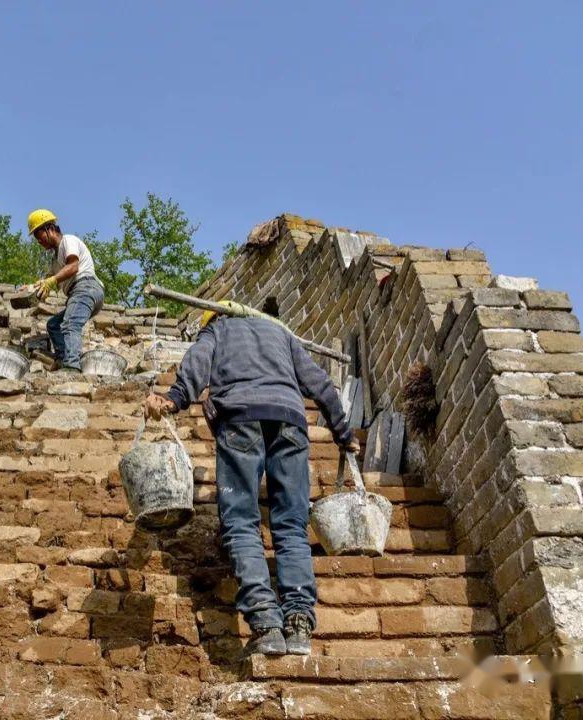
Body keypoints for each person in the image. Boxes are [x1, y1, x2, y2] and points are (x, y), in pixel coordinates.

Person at [144, 303, 359, 657]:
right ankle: (300, 623)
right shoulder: (280, 333)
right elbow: (319, 383)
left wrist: (175, 398)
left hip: (240, 418)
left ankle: (265, 623)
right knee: (291, 524)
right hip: (290, 421)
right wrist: (342, 432)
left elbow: (197, 363)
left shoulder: (217, 330)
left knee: (242, 522)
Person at [28, 208, 105, 374]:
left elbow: (73, 266)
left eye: (38, 235)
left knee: (70, 323)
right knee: (54, 324)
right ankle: (63, 359)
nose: (38, 241)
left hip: (86, 287)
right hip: (79, 293)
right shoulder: (55, 260)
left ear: (49, 228)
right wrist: (29, 289)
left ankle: (71, 366)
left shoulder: (68, 241)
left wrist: (53, 280)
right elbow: (45, 281)